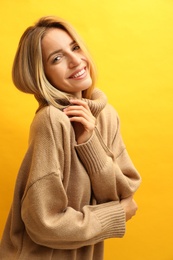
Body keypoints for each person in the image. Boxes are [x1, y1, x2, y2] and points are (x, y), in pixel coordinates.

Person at [0, 16, 141, 260]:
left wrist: (90, 143)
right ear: (41, 74)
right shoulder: (51, 120)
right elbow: (43, 222)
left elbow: (122, 195)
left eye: (75, 47)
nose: (76, 61)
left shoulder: (106, 115)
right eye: (57, 58)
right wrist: (116, 214)